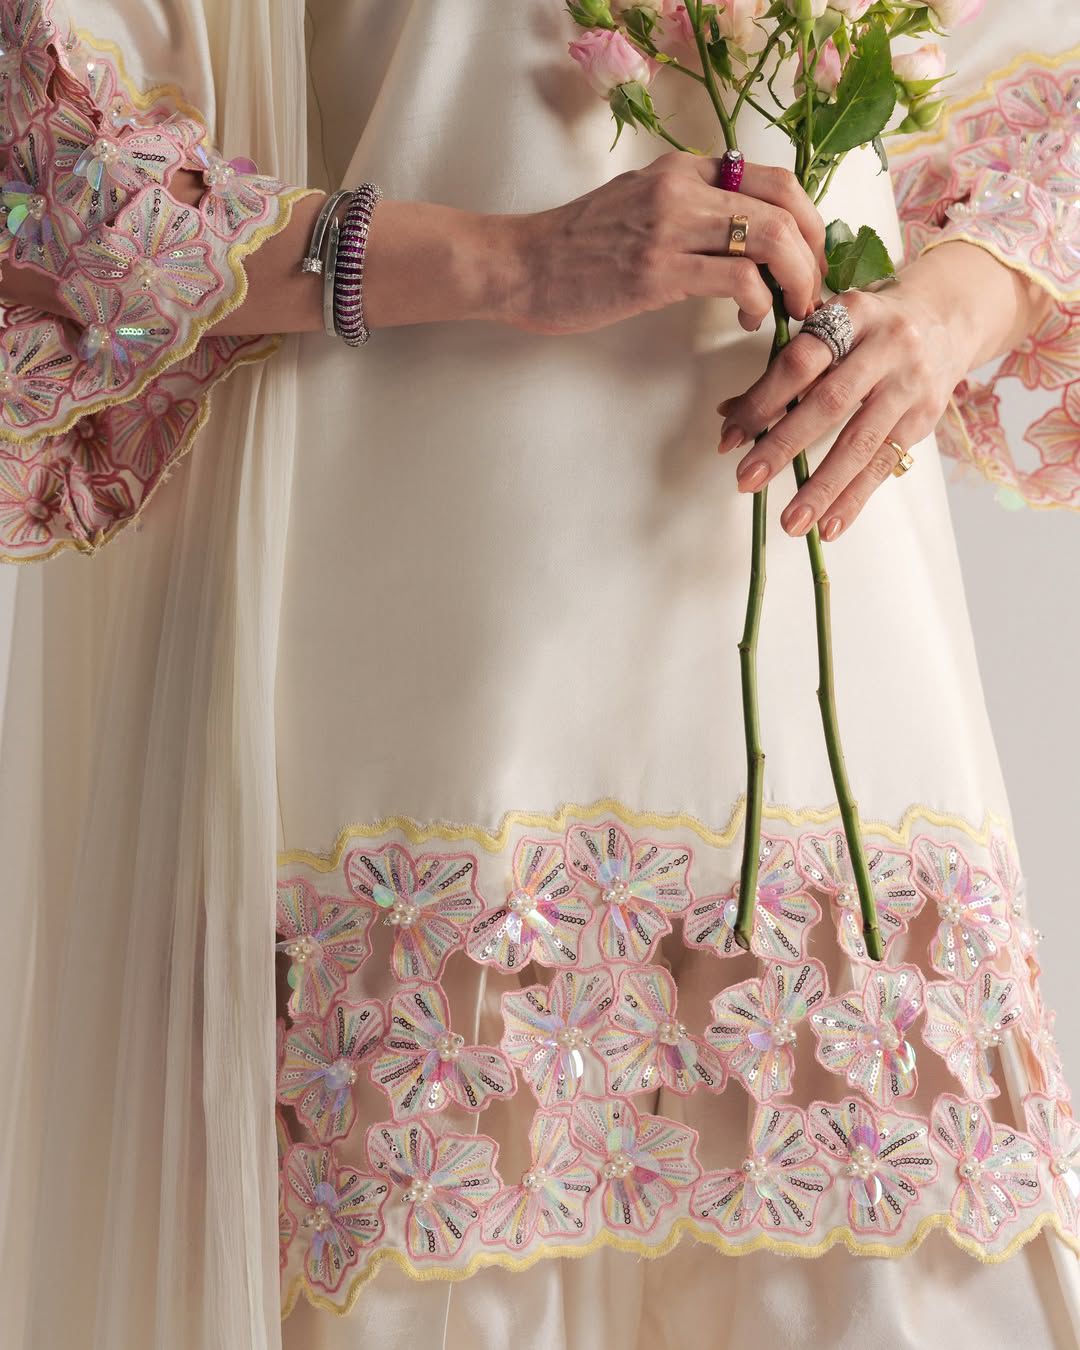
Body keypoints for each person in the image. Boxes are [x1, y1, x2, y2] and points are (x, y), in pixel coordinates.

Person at [1, 1, 1078, 1348]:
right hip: (434, 638)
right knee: (451, 1256)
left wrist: (948, 310)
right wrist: (513, 259)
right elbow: (62, 175)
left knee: (889, 1246)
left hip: (827, 620)